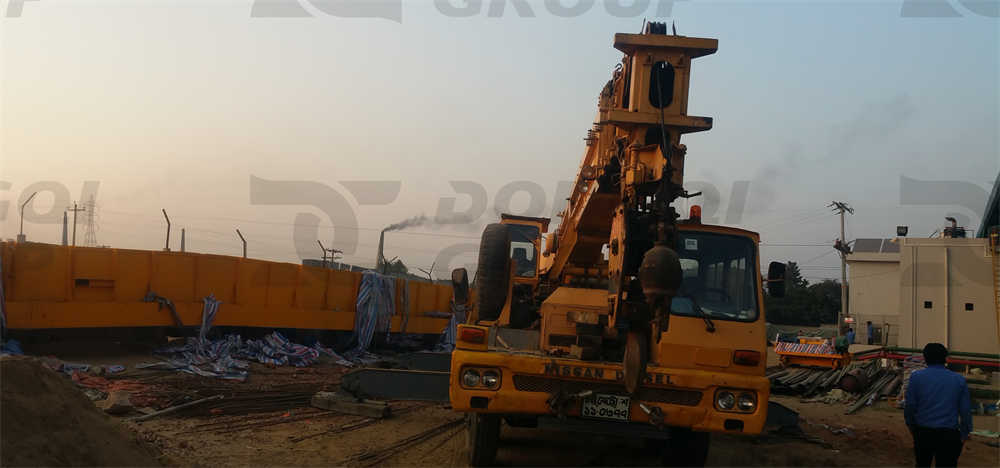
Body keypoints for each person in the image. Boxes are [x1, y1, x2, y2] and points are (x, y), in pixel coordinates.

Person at [904, 343, 972, 467]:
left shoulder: (916, 378)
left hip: (923, 432)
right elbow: (965, 411)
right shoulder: (958, 380)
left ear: (925, 358)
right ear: (945, 358)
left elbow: (910, 406)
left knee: (922, 464)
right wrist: (964, 434)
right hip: (949, 434)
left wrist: (911, 426)